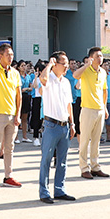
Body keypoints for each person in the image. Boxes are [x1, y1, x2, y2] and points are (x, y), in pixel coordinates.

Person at [37, 52, 76, 204]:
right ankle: (44, 192)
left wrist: (72, 123)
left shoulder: (66, 82)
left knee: (62, 161)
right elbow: (43, 79)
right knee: (46, 160)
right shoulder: (48, 79)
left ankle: (59, 189)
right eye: (64, 63)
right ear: (55, 64)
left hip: (64, 125)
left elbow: (68, 104)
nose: (67, 66)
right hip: (51, 125)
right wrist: (49, 65)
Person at [0, 44, 23, 189]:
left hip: (12, 115)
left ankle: (8, 176)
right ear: (0, 55)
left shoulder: (15, 73)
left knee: (9, 148)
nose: (10, 57)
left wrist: (17, 114)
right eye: (7, 54)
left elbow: (18, 95)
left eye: (12, 54)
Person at [73, 47, 110, 179]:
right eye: (97, 56)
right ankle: (84, 168)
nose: (100, 58)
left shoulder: (103, 72)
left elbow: (104, 91)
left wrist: (104, 107)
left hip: (99, 109)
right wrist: (86, 65)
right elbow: (75, 75)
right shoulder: (85, 70)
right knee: (84, 140)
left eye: (101, 56)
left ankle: (95, 166)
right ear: (91, 58)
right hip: (87, 109)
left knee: (96, 141)